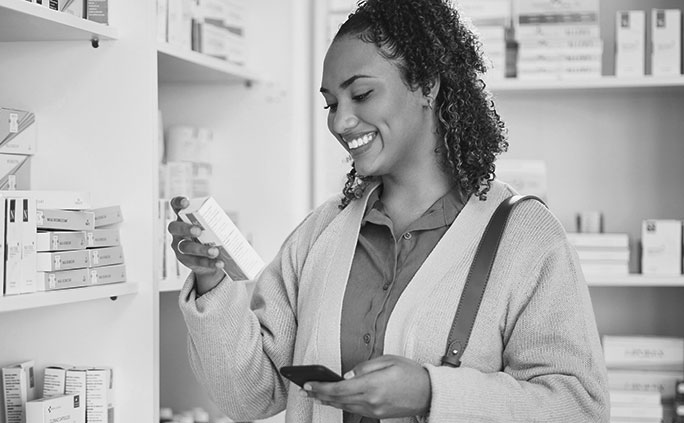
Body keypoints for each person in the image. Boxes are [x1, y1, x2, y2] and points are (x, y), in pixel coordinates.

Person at [167, 0, 609, 421]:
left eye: (361, 94)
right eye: (331, 104)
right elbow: (251, 396)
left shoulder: (526, 236)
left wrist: (431, 393)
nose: (340, 122)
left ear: (427, 84)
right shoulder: (321, 233)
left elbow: (580, 408)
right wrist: (212, 281)